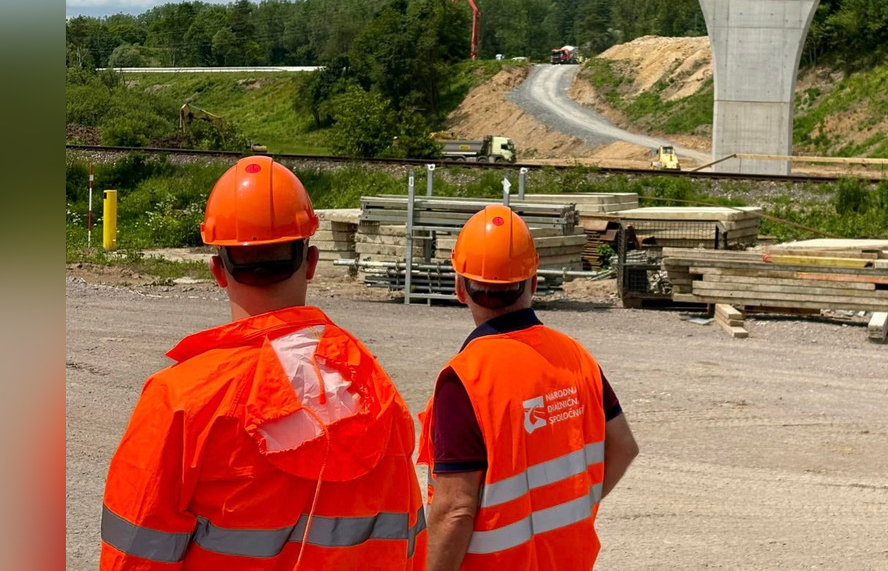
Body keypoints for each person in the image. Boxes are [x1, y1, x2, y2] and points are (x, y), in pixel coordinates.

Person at [99, 156, 427, 570]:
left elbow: (134, 554)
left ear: (218, 270)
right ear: (310, 263)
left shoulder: (181, 400)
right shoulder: (373, 390)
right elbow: (409, 539)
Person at [419, 205, 639, 571]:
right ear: (534, 283)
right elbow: (623, 447)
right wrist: (573, 512)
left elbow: (455, 511)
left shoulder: (466, 380)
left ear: (460, 287)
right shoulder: (576, 357)